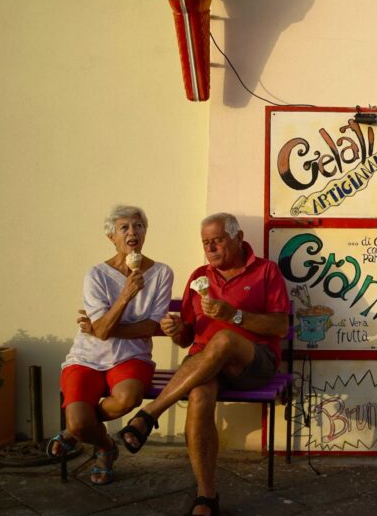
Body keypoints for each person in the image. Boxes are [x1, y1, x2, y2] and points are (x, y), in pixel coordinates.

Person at [118, 213, 290, 516]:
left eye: (218, 240)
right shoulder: (200, 275)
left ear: (238, 238)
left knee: (223, 339)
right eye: (206, 242)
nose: (210, 248)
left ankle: (149, 413)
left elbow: (280, 327)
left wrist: (234, 316)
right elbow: (186, 337)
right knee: (198, 395)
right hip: (204, 365)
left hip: (253, 364)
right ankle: (206, 496)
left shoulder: (266, 271)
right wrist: (176, 331)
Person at [48, 205, 173, 485]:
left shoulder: (161, 273)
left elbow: (149, 327)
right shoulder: (96, 275)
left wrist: (103, 326)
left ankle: (72, 433)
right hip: (87, 357)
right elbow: (101, 332)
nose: (133, 232)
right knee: (80, 422)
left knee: (127, 399)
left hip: (132, 356)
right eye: (124, 228)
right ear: (112, 237)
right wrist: (125, 295)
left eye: (138, 226)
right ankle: (106, 446)